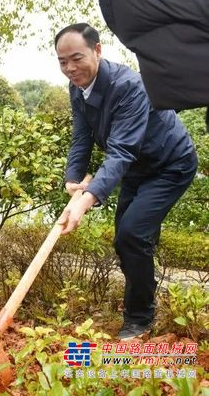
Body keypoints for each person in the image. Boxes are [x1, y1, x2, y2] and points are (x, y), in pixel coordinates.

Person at [54, 24, 197, 340]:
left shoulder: (130, 86)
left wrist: (88, 200)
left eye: (76, 58)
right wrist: (74, 179)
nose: (70, 68)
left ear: (98, 50)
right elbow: (82, 136)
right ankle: (145, 281)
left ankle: (140, 319)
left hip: (169, 164)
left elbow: (121, 150)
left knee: (131, 235)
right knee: (129, 238)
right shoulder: (77, 88)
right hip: (136, 168)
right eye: (62, 62)